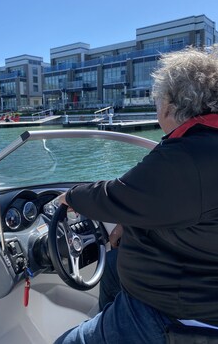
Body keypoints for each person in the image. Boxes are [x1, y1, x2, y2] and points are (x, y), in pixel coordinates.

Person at [54, 46, 218, 343]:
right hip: (198, 277)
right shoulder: (206, 145)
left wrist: (71, 197)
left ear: (169, 106)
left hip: (174, 312)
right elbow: (167, 202)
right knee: (114, 266)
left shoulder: (186, 158)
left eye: (158, 101)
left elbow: (115, 196)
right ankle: (107, 325)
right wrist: (128, 224)